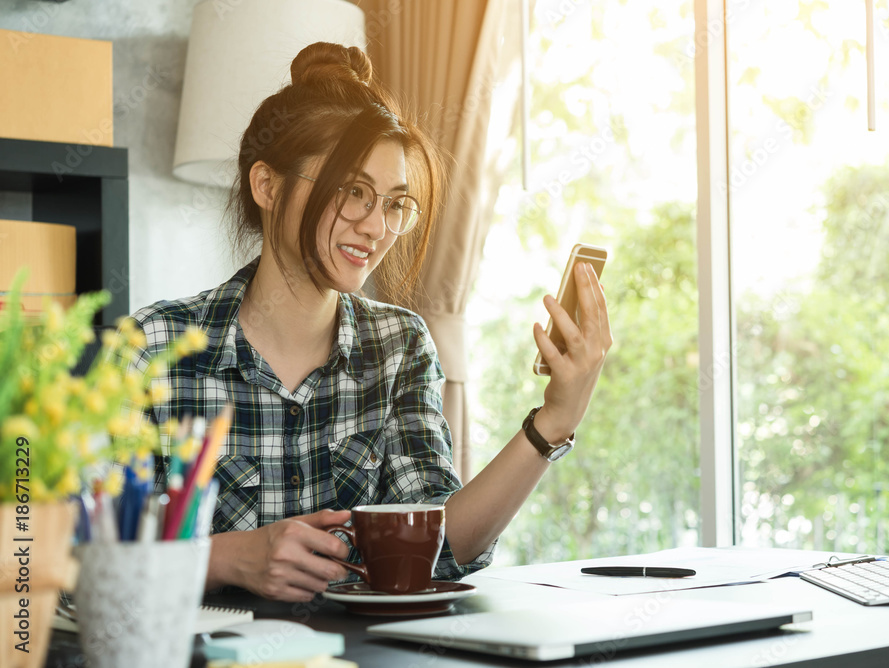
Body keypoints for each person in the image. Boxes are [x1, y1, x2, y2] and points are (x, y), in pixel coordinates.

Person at [130, 42, 612, 603]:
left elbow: (441, 547)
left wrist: (553, 421)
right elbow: (79, 561)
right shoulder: (153, 349)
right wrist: (229, 558)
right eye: (354, 192)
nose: (376, 226)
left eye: (393, 204)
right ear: (267, 185)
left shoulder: (400, 346)